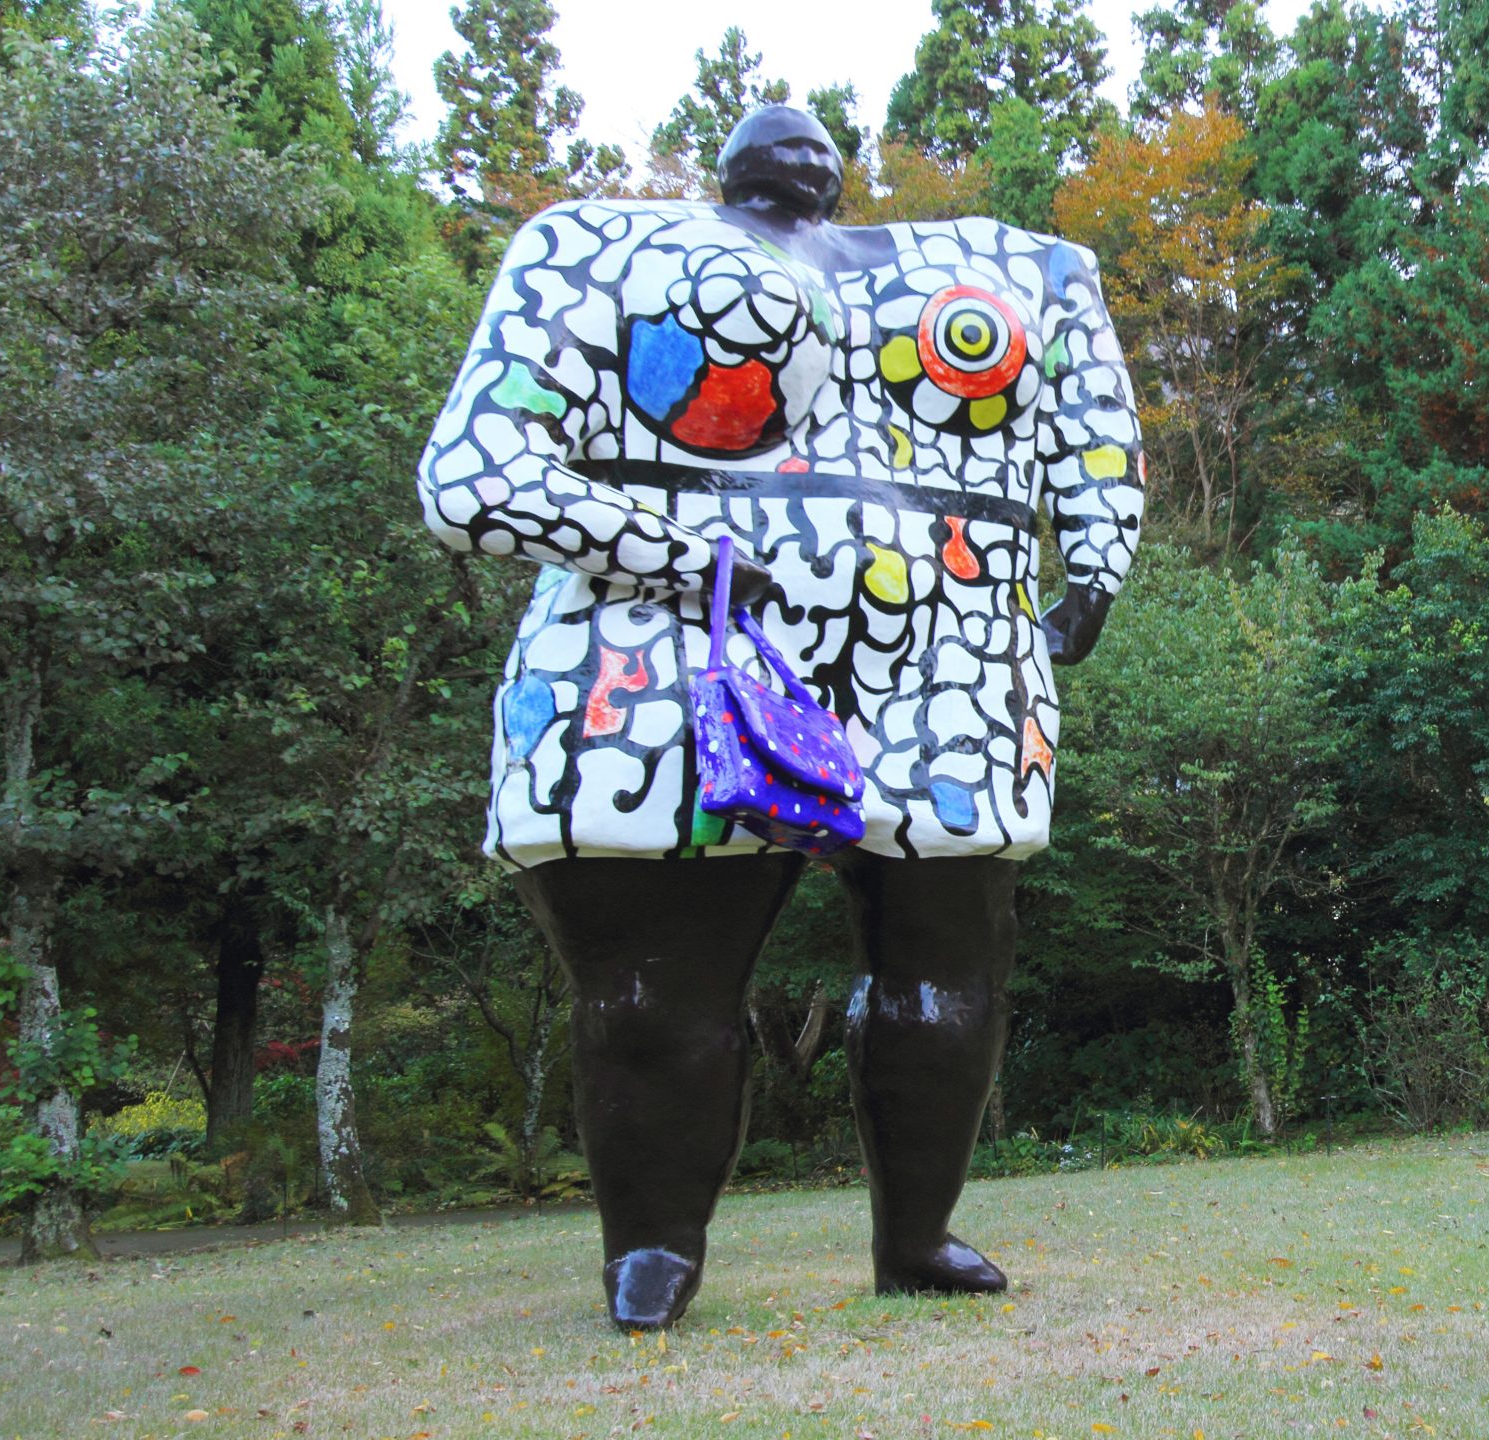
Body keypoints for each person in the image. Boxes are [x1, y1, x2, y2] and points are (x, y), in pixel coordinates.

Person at [415, 106, 1143, 1328]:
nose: (799, 160)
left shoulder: (1021, 270)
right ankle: (651, 1252)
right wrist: (677, 550)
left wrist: (1097, 568)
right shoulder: (590, 246)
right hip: (665, 645)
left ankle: (916, 1237)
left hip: (949, 645)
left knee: (949, 963)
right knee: (654, 986)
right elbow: (471, 475)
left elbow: (1097, 432)